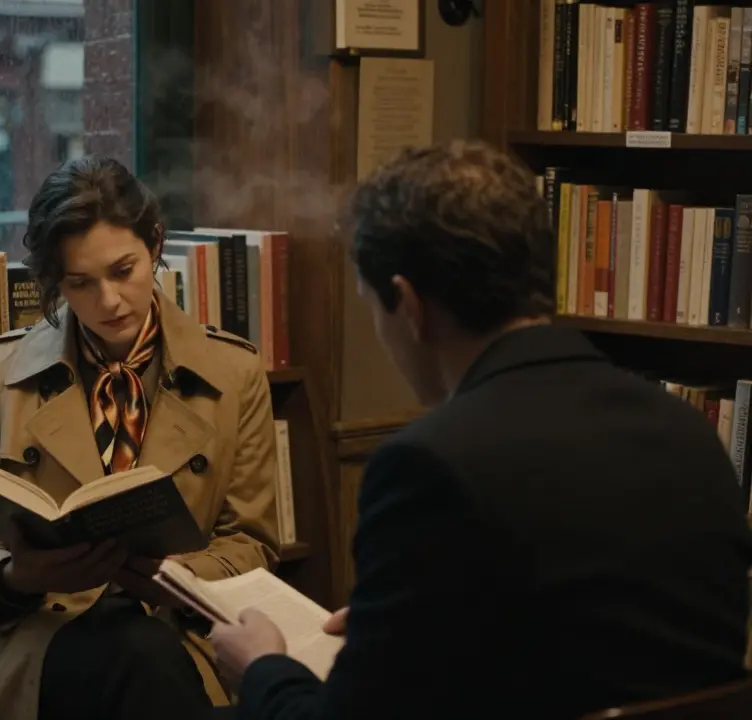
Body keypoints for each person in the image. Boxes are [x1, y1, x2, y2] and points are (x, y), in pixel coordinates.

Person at [211, 139, 752, 719]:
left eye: (374, 309)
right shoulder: (686, 432)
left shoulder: (430, 467)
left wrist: (263, 668)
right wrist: (398, 622)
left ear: (409, 306)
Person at [0, 155, 280, 720]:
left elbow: (253, 544)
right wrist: (21, 576)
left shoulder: (233, 374)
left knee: (145, 652)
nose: (108, 301)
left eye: (124, 271)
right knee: (137, 661)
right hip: (36, 635)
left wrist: (184, 580)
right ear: (54, 281)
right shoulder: (0, 373)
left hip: (175, 627)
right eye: (80, 283)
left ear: (156, 245)